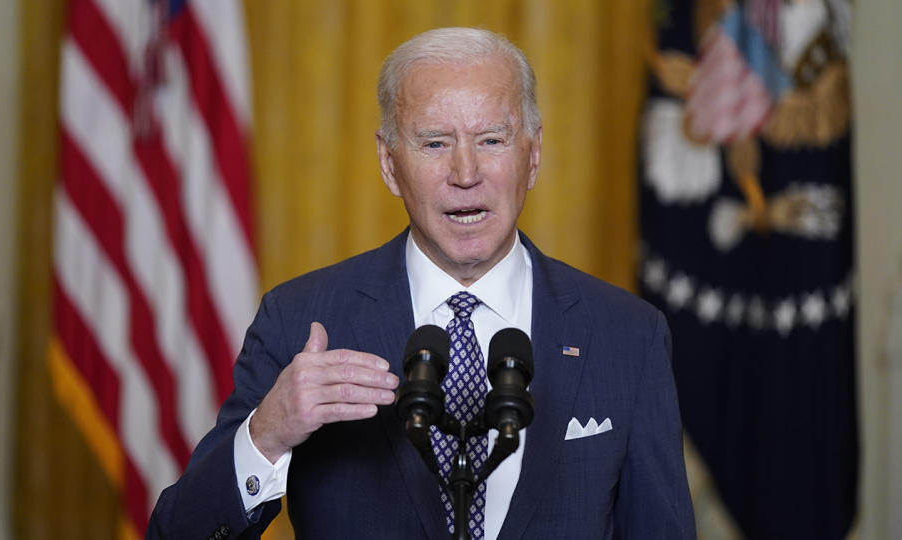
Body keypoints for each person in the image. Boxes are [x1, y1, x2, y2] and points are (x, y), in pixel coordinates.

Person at [147, 27, 695, 540]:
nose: (465, 172)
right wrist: (268, 433)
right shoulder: (301, 320)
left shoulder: (628, 336)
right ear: (389, 164)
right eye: (434, 143)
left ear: (533, 155)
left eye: (492, 140)